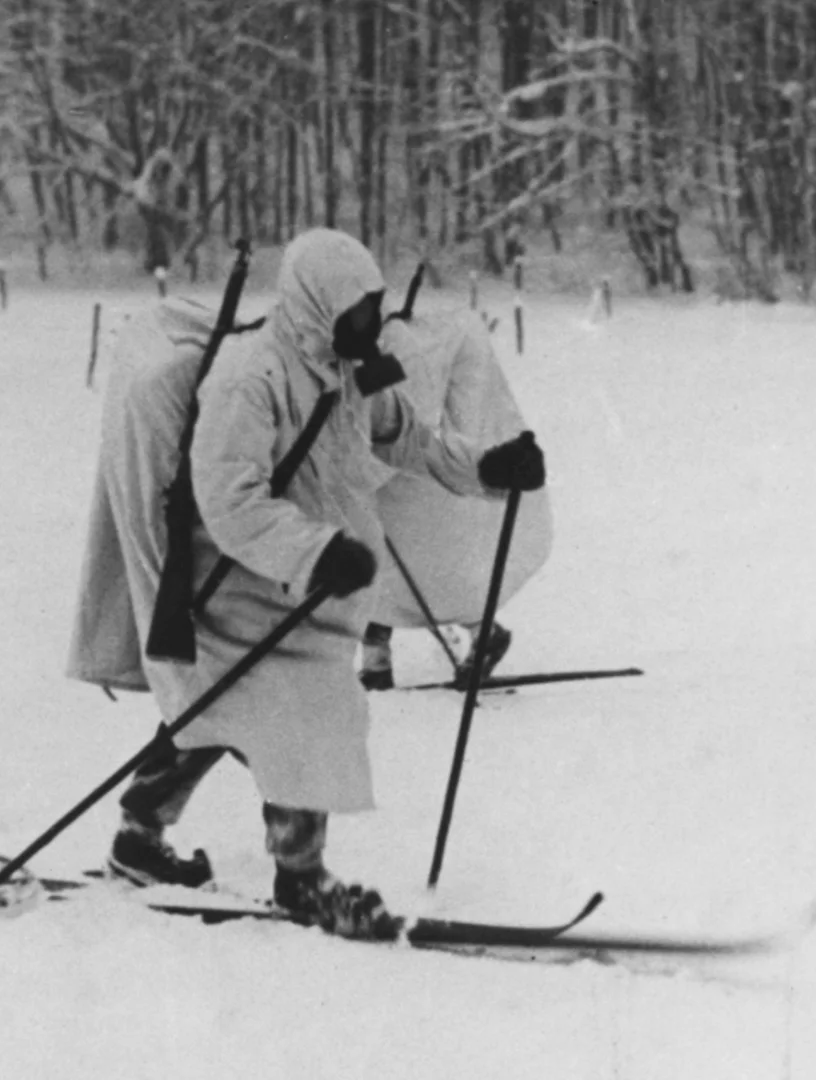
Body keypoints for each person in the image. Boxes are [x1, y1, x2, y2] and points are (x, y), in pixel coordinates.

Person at [68, 229, 546, 939]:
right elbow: (230, 503)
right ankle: (302, 880)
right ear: (319, 305)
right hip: (235, 579)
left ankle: (138, 840)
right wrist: (317, 552)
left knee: (215, 709)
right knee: (302, 712)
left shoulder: (347, 368)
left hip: (298, 579)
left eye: (374, 307)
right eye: (359, 310)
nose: (371, 323)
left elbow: (405, 436)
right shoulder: (249, 377)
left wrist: (486, 468)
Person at [358, 306, 552, 691]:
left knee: (407, 552)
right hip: (433, 458)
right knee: (387, 550)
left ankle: (477, 638)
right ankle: (383, 652)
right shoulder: (393, 334)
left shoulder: (404, 340)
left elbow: (400, 415)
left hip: (437, 461)